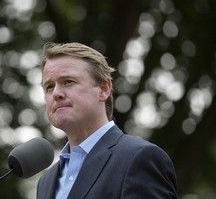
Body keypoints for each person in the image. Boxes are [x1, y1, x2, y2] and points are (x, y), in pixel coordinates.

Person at [37, 42, 177, 199]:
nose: (56, 93)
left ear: (103, 89)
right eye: (49, 87)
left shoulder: (139, 158)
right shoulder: (46, 181)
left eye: (68, 81)